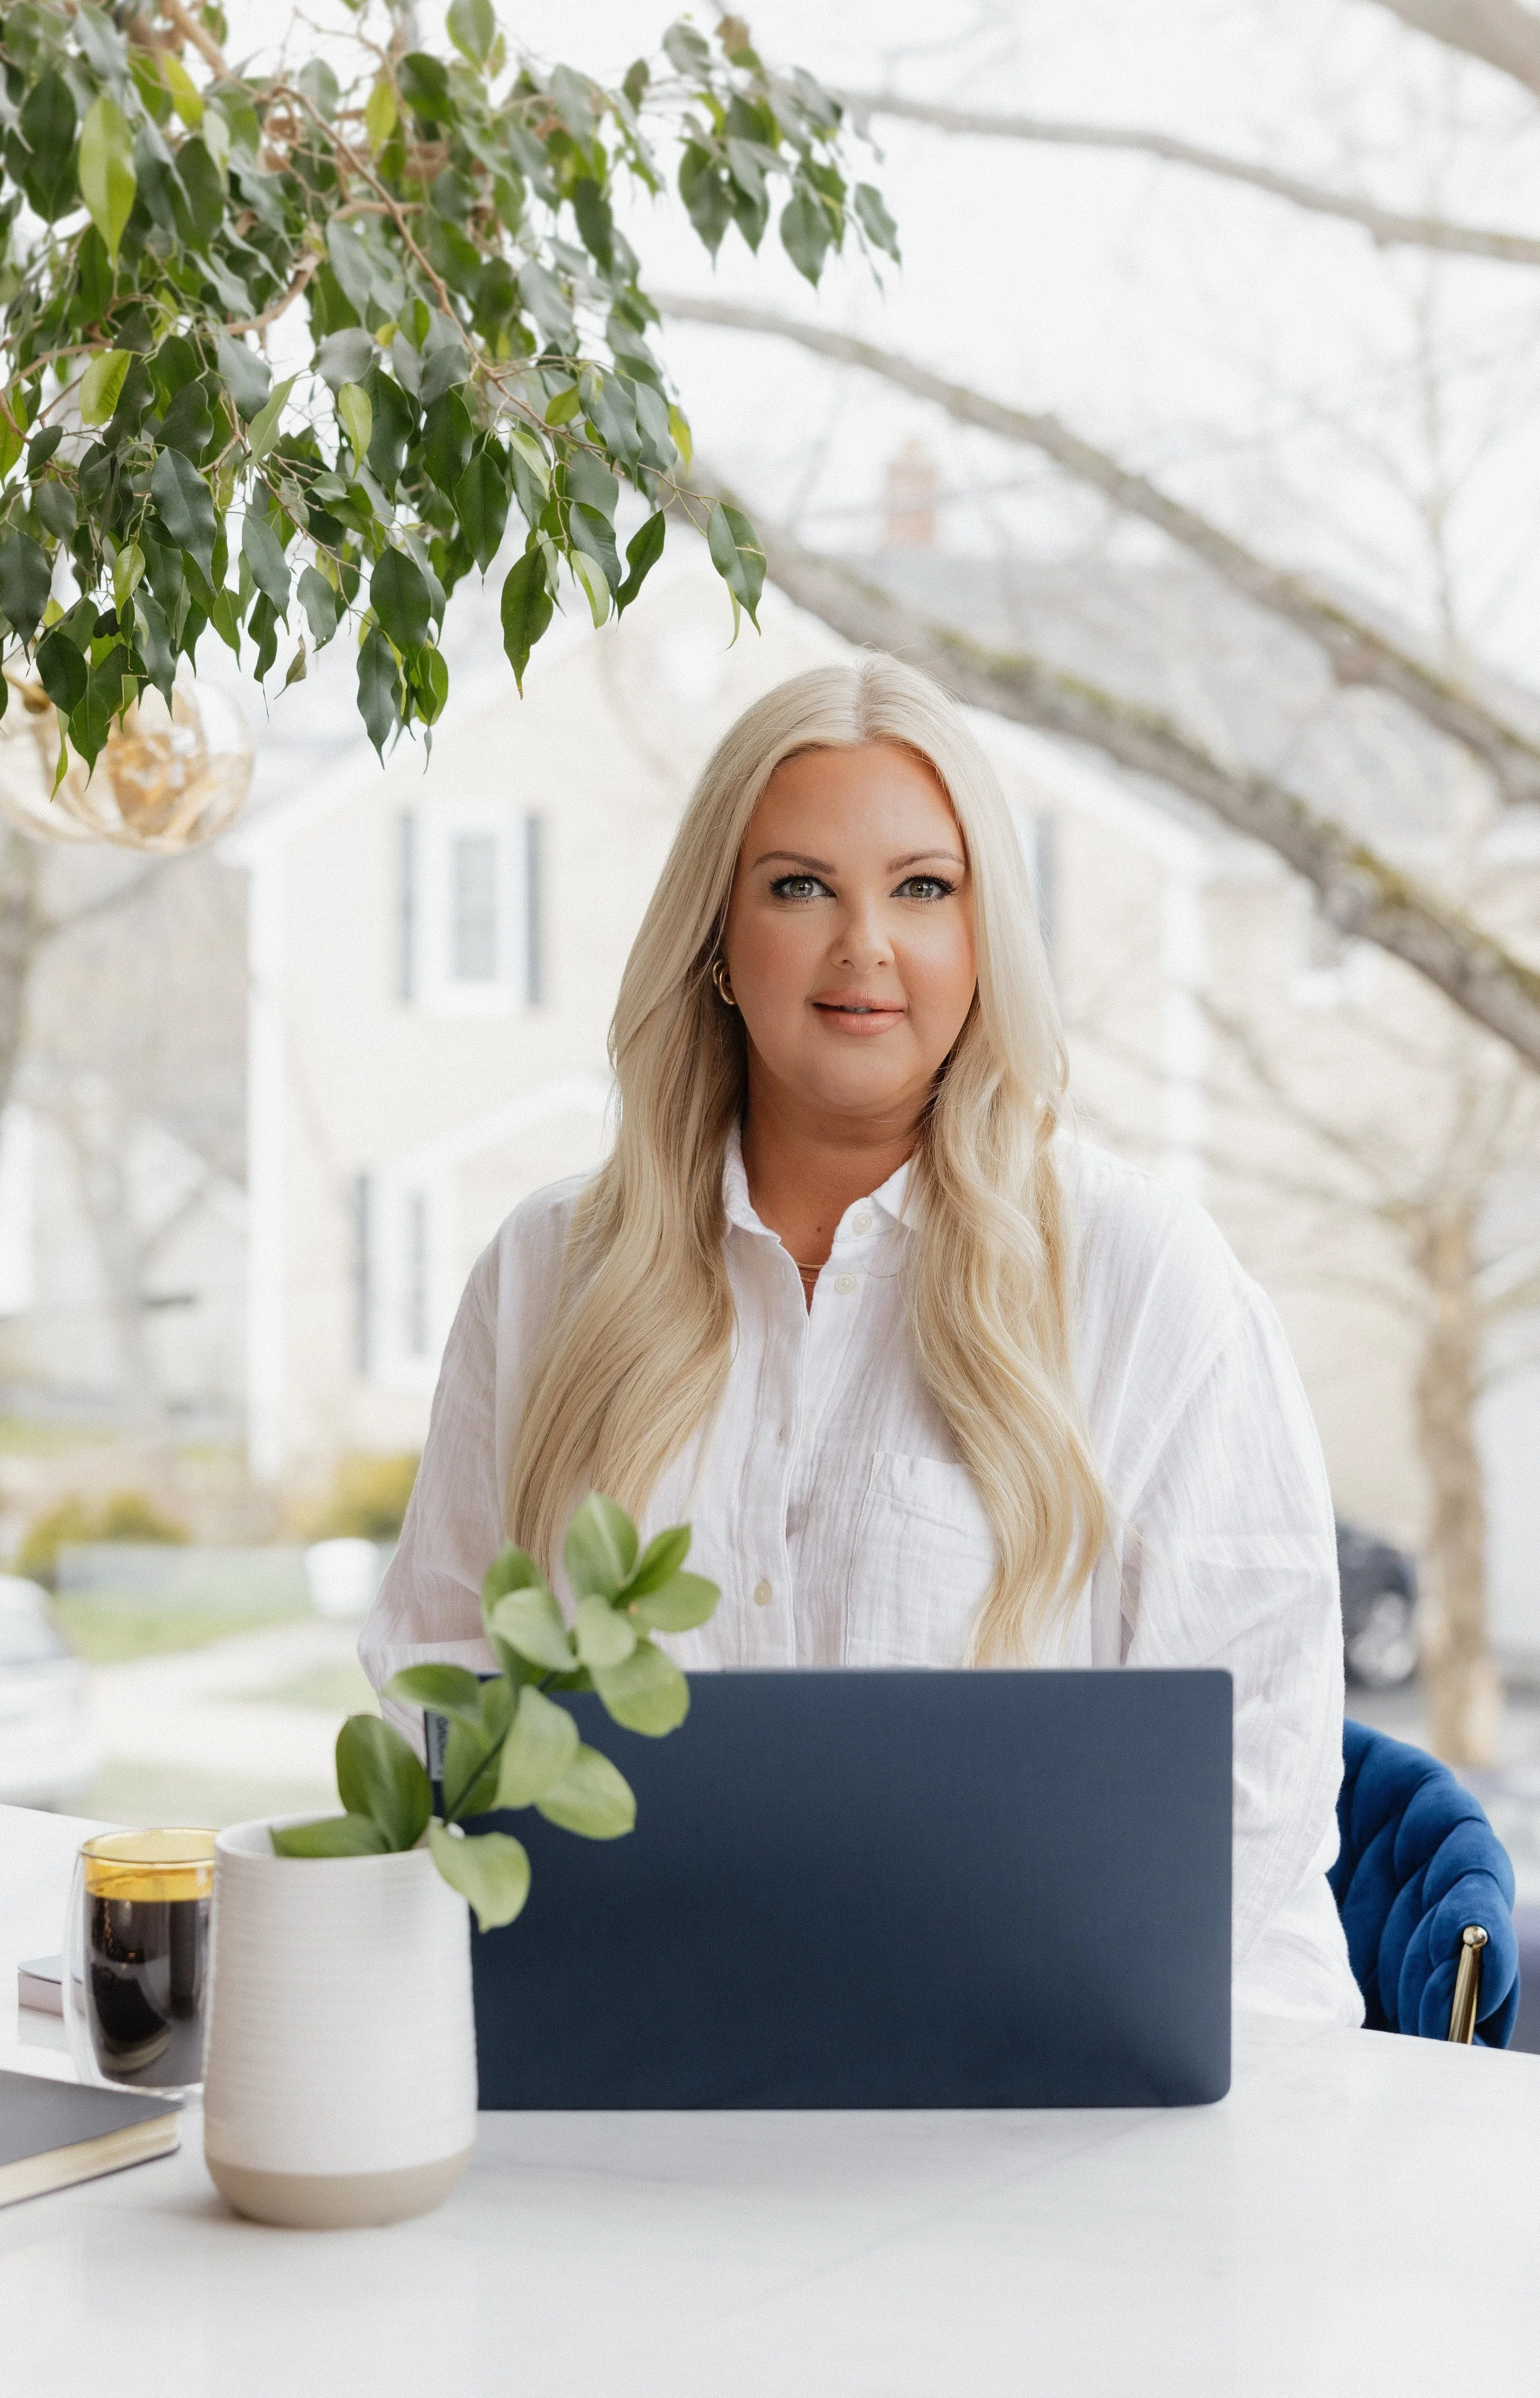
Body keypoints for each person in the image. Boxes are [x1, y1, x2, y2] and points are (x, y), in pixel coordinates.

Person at [361, 654, 1362, 2026]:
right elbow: (443, 1688)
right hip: (657, 2056)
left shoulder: (1145, 1277)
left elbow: (1251, 1766)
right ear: (716, 937)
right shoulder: (547, 1270)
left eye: (921, 887)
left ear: (981, 935)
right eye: (797, 885)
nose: (863, 947)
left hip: (1082, 2074)